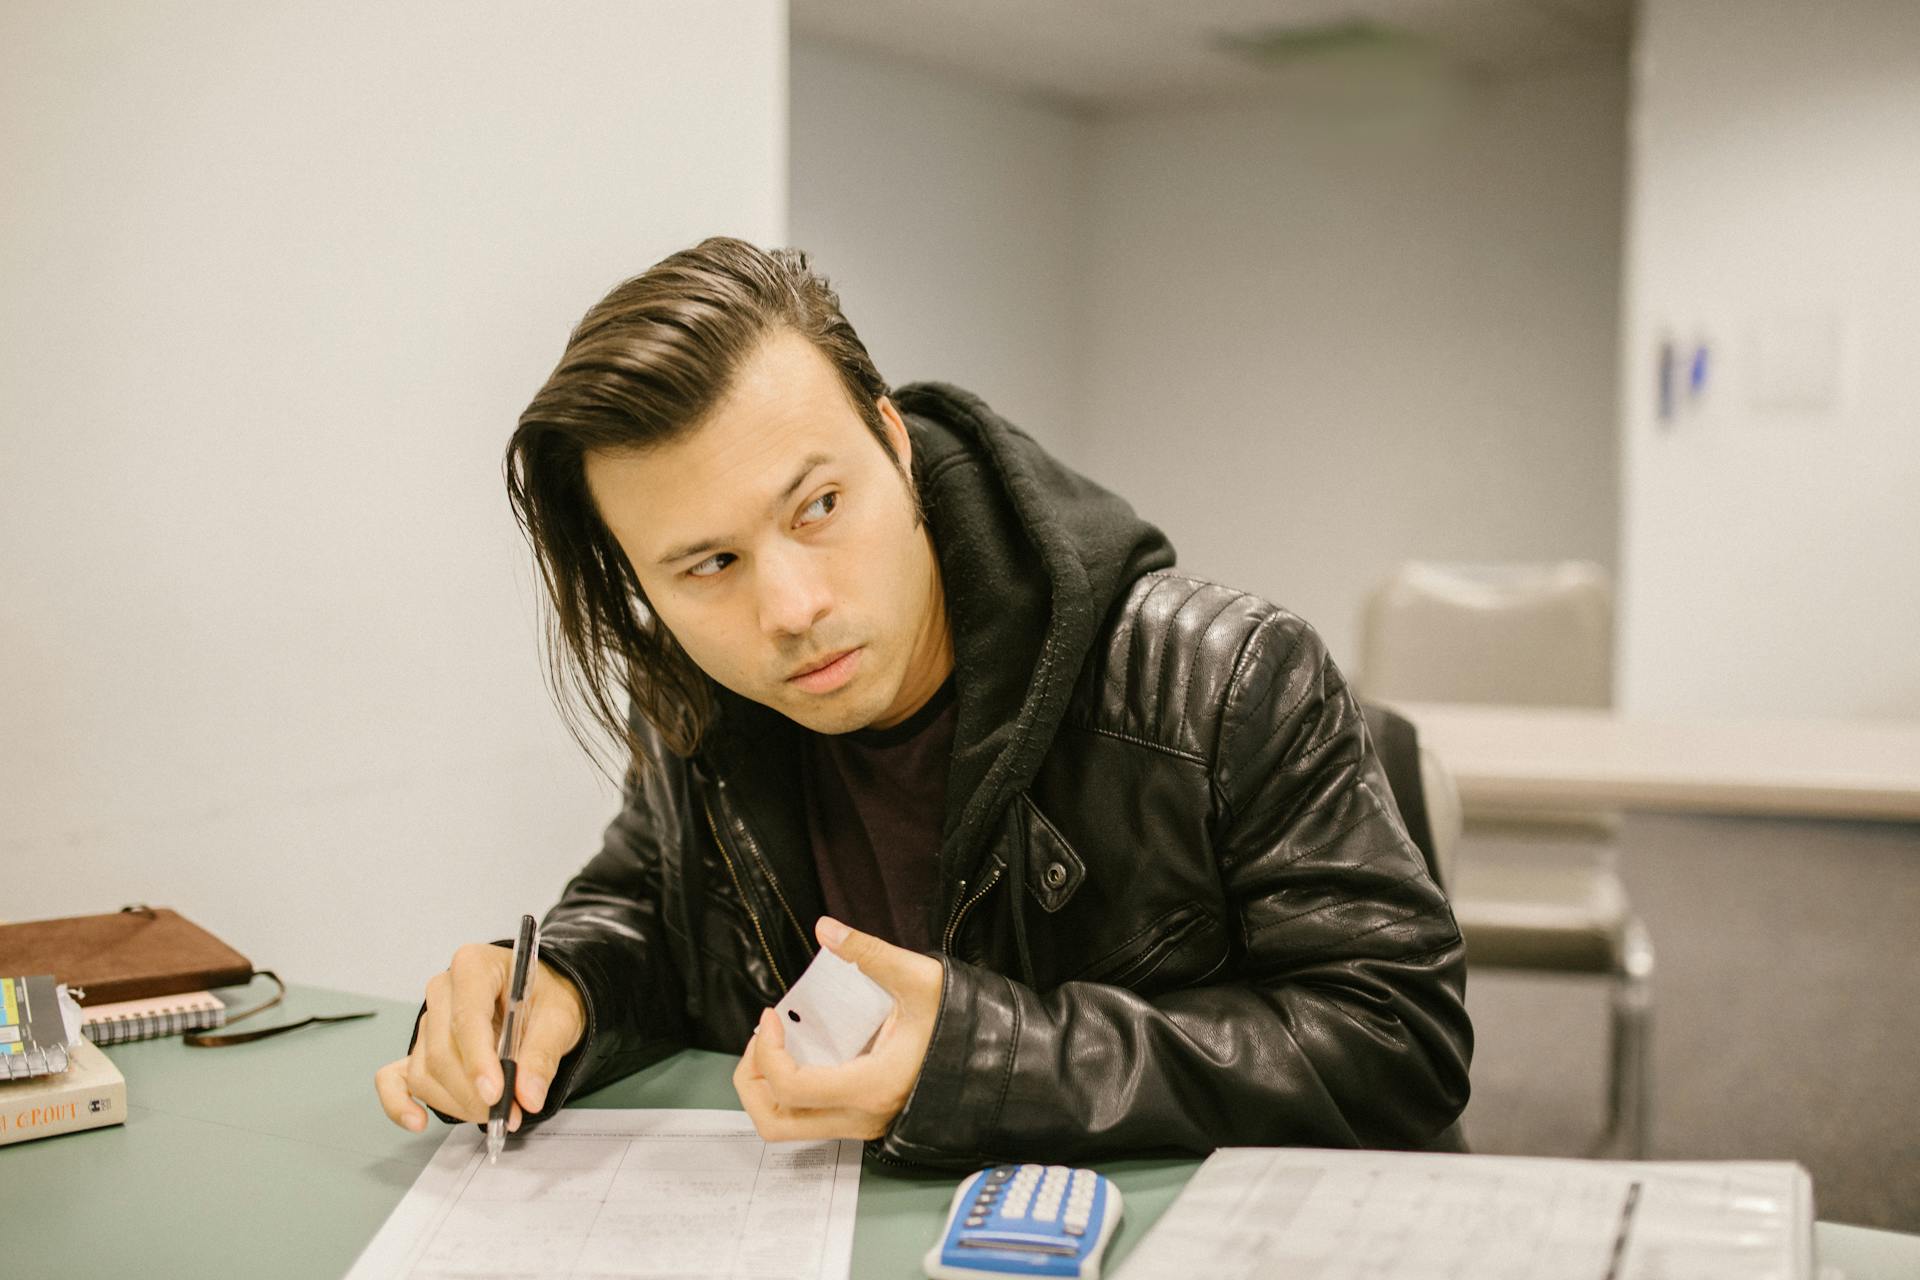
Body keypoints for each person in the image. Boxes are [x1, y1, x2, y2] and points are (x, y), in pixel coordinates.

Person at [374, 236, 1472, 1167]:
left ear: (895, 444)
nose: (792, 608)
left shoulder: (1224, 680)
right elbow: (655, 913)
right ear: (644, 585)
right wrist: (560, 986)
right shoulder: (701, 707)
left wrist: (980, 1060)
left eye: (819, 504)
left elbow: (1399, 1037)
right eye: (707, 565)